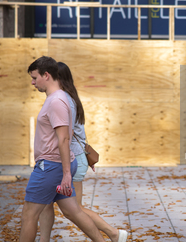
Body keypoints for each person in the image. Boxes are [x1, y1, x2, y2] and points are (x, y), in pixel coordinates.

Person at [38, 62, 128, 242]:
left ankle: (113, 233)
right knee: (46, 205)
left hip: (71, 158)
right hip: (72, 158)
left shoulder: (64, 101)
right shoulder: (69, 98)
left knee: (74, 209)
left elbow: (65, 135)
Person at [20, 56, 106, 242]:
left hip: (51, 165)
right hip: (55, 165)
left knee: (29, 214)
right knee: (73, 211)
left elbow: (64, 138)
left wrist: (66, 173)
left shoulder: (57, 101)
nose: (33, 83)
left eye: (35, 78)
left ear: (47, 75)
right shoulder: (58, 98)